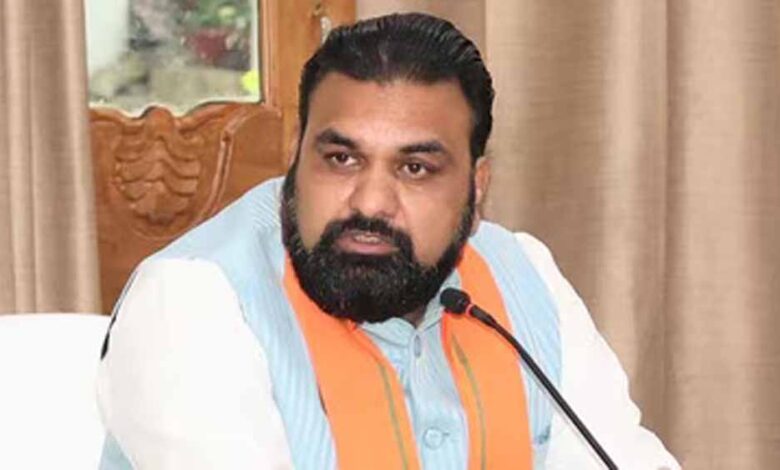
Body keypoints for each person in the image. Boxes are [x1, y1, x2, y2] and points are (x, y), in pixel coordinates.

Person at [97, 13, 680, 470]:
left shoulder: (524, 274)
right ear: (295, 154)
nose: (371, 202)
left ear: (477, 189)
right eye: (341, 158)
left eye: (415, 168)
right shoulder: (192, 300)